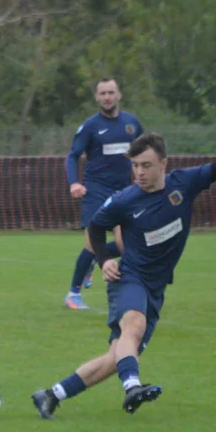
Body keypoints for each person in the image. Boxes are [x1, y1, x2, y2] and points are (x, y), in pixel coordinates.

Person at [33, 112, 216, 418]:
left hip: (156, 287)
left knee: (118, 355)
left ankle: (50, 394)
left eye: (146, 165)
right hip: (129, 278)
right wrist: (105, 260)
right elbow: (96, 229)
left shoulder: (184, 184)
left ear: (164, 164)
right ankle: (133, 388)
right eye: (135, 165)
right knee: (133, 326)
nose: (139, 172)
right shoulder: (125, 200)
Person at [64, 78, 143, 309]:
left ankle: (94, 263)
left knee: (122, 245)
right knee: (92, 244)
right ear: (97, 97)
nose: (107, 97)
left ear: (119, 95)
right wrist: (73, 183)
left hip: (122, 192)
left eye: (111, 92)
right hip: (96, 191)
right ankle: (73, 294)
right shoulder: (90, 126)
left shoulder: (132, 123)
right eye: (102, 93)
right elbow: (72, 156)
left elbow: (143, 152)